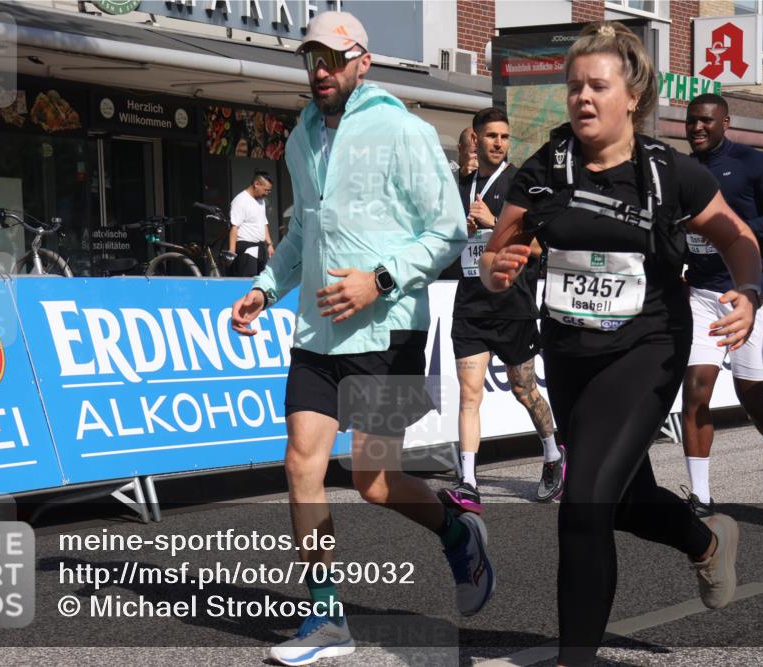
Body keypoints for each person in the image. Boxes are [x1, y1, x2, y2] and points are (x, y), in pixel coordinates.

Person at [480, 22, 762, 666]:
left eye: (597, 85)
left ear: (631, 96)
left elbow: (738, 237)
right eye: (573, 85)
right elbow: (500, 252)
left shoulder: (670, 174)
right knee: (625, 502)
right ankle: (707, 541)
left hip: (649, 347)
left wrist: (747, 291)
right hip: (571, 350)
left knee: (583, 505)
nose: (581, 97)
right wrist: (500, 267)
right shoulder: (545, 169)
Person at [230, 11, 492, 666]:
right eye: (311, 58)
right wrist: (266, 286)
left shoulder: (402, 130)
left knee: (376, 479)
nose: (319, 70)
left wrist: (380, 278)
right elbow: (301, 236)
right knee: (301, 462)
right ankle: (324, 616)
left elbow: (447, 229)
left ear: (361, 63)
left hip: (387, 331)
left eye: (332, 59)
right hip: (316, 331)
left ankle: (459, 532)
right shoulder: (301, 139)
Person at [680, 93, 763, 514]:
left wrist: (738, 231)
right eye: (691, 121)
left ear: (725, 122)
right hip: (701, 293)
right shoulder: (681, 170)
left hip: (752, 292)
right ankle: (700, 495)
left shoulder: (754, 163)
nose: (697, 128)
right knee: (696, 390)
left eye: (706, 121)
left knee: (751, 396)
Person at [440, 106, 564, 515]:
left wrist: (495, 225)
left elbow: (540, 249)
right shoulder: (459, 185)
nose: (498, 143)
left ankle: (552, 455)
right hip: (471, 305)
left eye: (504, 137)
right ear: (474, 139)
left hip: (514, 304)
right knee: (469, 396)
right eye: (491, 135)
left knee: (523, 389)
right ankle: (469, 481)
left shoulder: (522, 183)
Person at [228, 170, 275, 277]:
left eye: (269, 191)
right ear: (256, 184)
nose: (267, 193)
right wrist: (231, 252)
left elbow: (263, 223)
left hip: (260, 249)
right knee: (248, 284)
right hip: (246, 251)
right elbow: (234, 227)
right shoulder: (240, 200)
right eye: (266, 190)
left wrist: (269, 244)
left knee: (260, 284)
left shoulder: (261, 201)